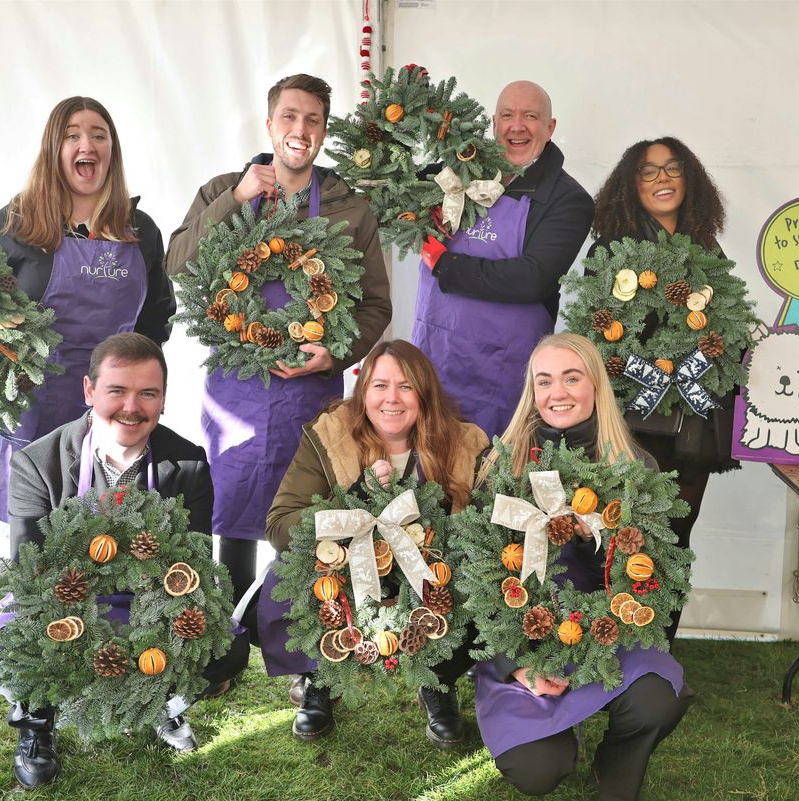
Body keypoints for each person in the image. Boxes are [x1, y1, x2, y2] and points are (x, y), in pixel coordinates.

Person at [165, 74, 391, 607]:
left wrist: (333, 354)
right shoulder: (223, 189)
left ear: (324, 131)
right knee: (236, 511)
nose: (300, 129)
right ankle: (232, 639)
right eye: (289, 116)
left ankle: (303, 644)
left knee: (310, 511)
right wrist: (237, 197)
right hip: (236, 386)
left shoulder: (349, 208)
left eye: (313, 119)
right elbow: (177, 262)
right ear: (270, 124)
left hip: (311, 390)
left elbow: (377, 304)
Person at [0, 333, 247, 788]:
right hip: (63, 609)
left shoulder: (188, 463)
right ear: (89, 391)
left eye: (148, 393)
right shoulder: (36, 463)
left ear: (163, 398)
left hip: (149, 607)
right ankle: (38, 723)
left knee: (228, 646)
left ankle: (162, 706)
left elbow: (194, 569)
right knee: (9, 647)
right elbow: (30, 573)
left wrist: (155, 623)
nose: (132, 406)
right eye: (117, 391)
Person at [209, 340, 486, 743]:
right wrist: (351, 503)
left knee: (475, 583)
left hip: (425, 574)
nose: (392, 398)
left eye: (406, 386)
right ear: (363, 391)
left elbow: (485, 532)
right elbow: (281, 526)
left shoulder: (462, 444)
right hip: (343, 572)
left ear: (425, 394)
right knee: (290, 575)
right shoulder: (331, 436)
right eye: (380, 385)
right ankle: (321, 679)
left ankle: (439, 683)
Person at [474, 332, 692, 801]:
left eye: (572, 378)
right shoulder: (500, 466)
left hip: (611, 635)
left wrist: (601, 540)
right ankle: (552, 737)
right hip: (526, 642)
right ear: (532, 392)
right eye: (545, 381)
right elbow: (476, 581)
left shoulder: (637, 467)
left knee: (656, 698)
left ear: (596, 386)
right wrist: (516, 664)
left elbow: (660, 577)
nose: (558, 393)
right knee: (536, 771)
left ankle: (616, 766)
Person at [0, 96, 176, 524]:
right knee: (35, 517)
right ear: (55, 149)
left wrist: (136, 387)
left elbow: (156, 317)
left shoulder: (140, 230)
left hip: (112, 402)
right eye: (72, 135)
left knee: (109, 519)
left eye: (98, 135)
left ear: (112, 151)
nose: (86, 145)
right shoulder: (15, 225)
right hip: (33, 396)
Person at [590, 137, 737, 641]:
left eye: (672, 169)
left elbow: (726, 325)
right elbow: (601, 331)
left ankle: (662, 650)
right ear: (631, 185)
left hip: (695, 419)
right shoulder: (610, 250)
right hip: (636, 416)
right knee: (629, 533)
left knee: (679, 532)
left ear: (689, 179)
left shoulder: (709, 247)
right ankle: (617, 643)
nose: (662, 179)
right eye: (649, 172)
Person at [413, 80, 593, 439]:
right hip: (433, 355)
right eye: (508, 115)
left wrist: (445, 265)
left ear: (550, 127)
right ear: (494, 123)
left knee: (487, 480)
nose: (517, 126)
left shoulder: (567, 199)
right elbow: (386, 191)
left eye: (531, 116)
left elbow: (532, 279)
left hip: (500, 376)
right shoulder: (455, 175)